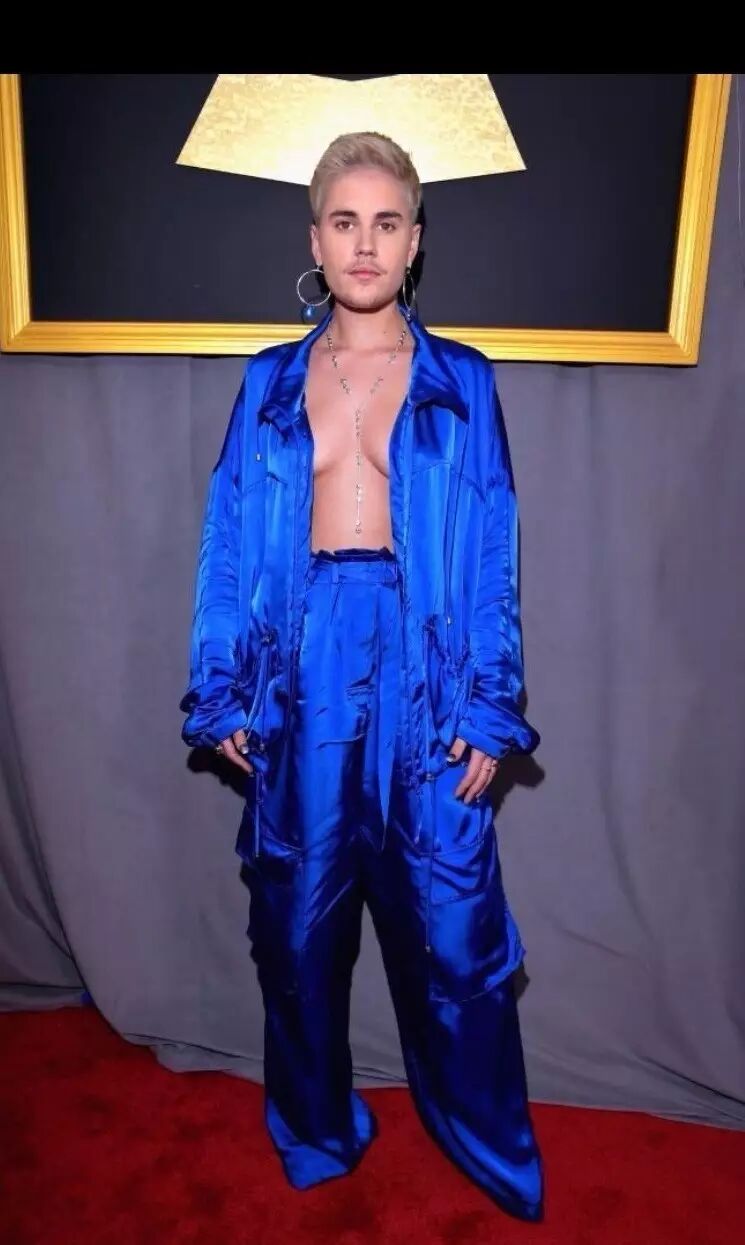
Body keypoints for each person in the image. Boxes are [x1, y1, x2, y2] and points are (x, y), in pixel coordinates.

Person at [180, 131, 544, 1222]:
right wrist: (221, 683)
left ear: (415, 240)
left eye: (387, 222)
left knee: (453, 932)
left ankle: (483, 1142)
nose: (365, 243)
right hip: (302, 664)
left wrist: (489, 701)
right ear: (316, 239)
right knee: (297, 925)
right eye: (345, 221)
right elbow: (228, 537)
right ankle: (316, 1127)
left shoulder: (461, 380)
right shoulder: (269, 381)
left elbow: (491, 547)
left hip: (425, 666)